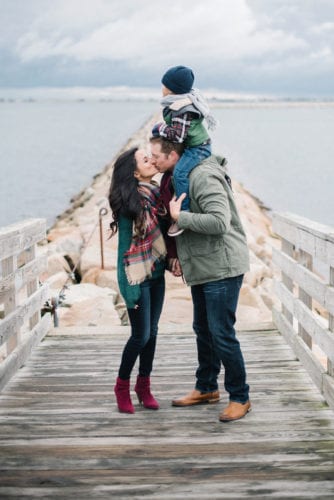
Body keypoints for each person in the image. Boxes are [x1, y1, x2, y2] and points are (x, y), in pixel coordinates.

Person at [150, 136, 251, 422]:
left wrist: (180, 217)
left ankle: (241, 396)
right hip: (203, 265)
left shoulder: (203, 176)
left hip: (222, 266)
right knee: (203, 329)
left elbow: (220, 222)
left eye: (156, 155)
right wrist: (178, 255)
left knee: (221, 333)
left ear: (173, 155)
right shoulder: (177, 178)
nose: (152, 160)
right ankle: (207, 388)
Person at [108, 147, 167, 414]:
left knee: (152, 333)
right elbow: (123, 251)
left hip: (156, 275)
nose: (152, 160)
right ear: (134, 172)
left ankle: (144, 386)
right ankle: (122, 385)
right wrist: (128, 292)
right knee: (139, 335)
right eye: (146, 160)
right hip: (136, 278)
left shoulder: (156, 194)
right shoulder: (128, 204)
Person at [152, 65, 216, 237]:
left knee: (179, 173)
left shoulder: (182, 109)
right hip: (194, 145)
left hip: (198, 148)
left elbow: (178, 136)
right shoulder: (177, 103)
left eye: (164, 84)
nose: (161, 87)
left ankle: (183, 214)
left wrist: (160, 127)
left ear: (172, 89)